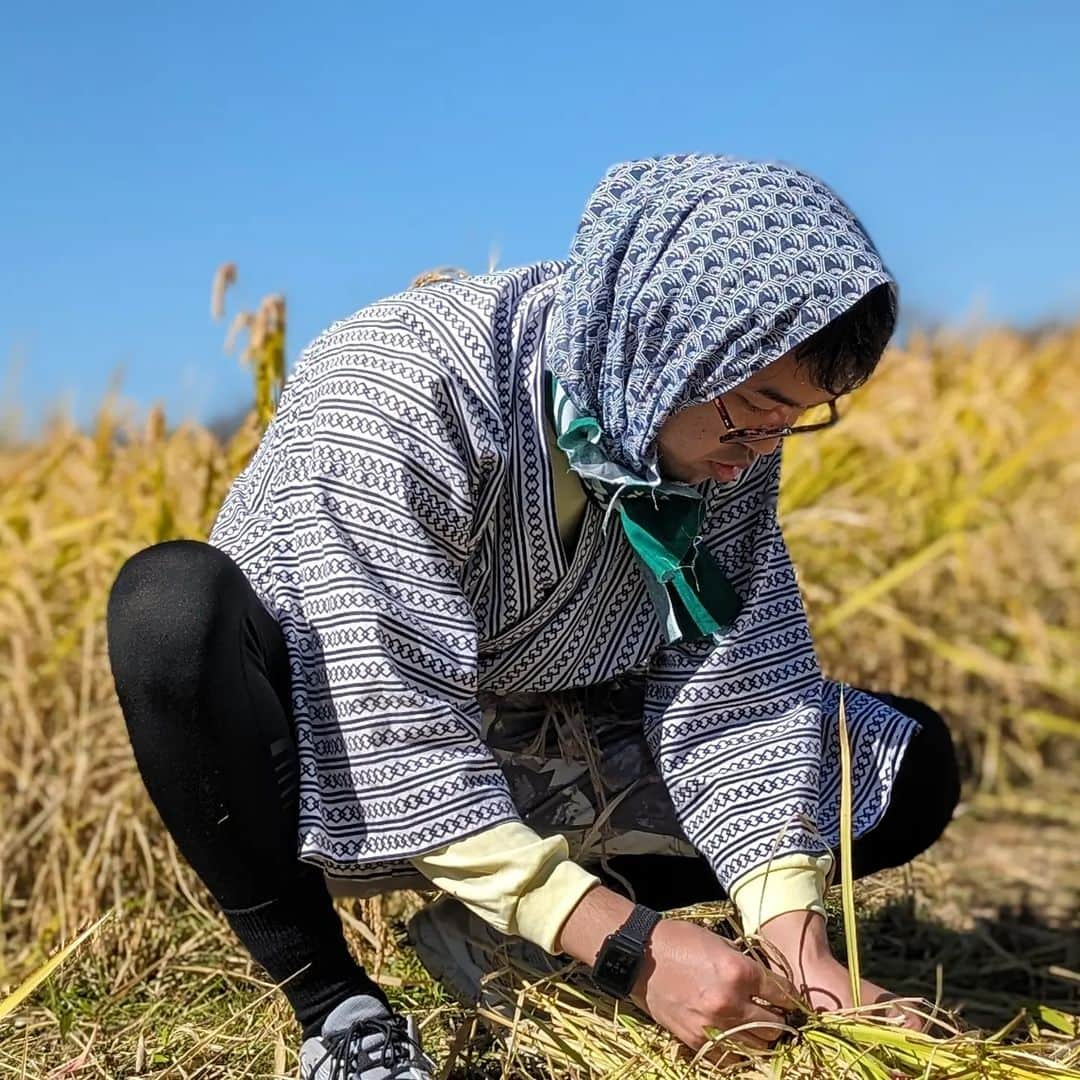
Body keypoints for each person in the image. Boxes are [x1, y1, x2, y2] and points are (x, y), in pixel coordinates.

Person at [105, 153, 960, 1080]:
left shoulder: (713, 429)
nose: (762, 449)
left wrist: (804, 957)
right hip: (329, 751)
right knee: (168, 610)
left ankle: (506, 935)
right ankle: (339, 1009)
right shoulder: (401, 386)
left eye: (798, 418)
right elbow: (384, 703)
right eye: (758, 408)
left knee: (898, 765)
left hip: (532, 742)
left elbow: (739, 691)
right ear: (663, 341)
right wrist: (629, 948)